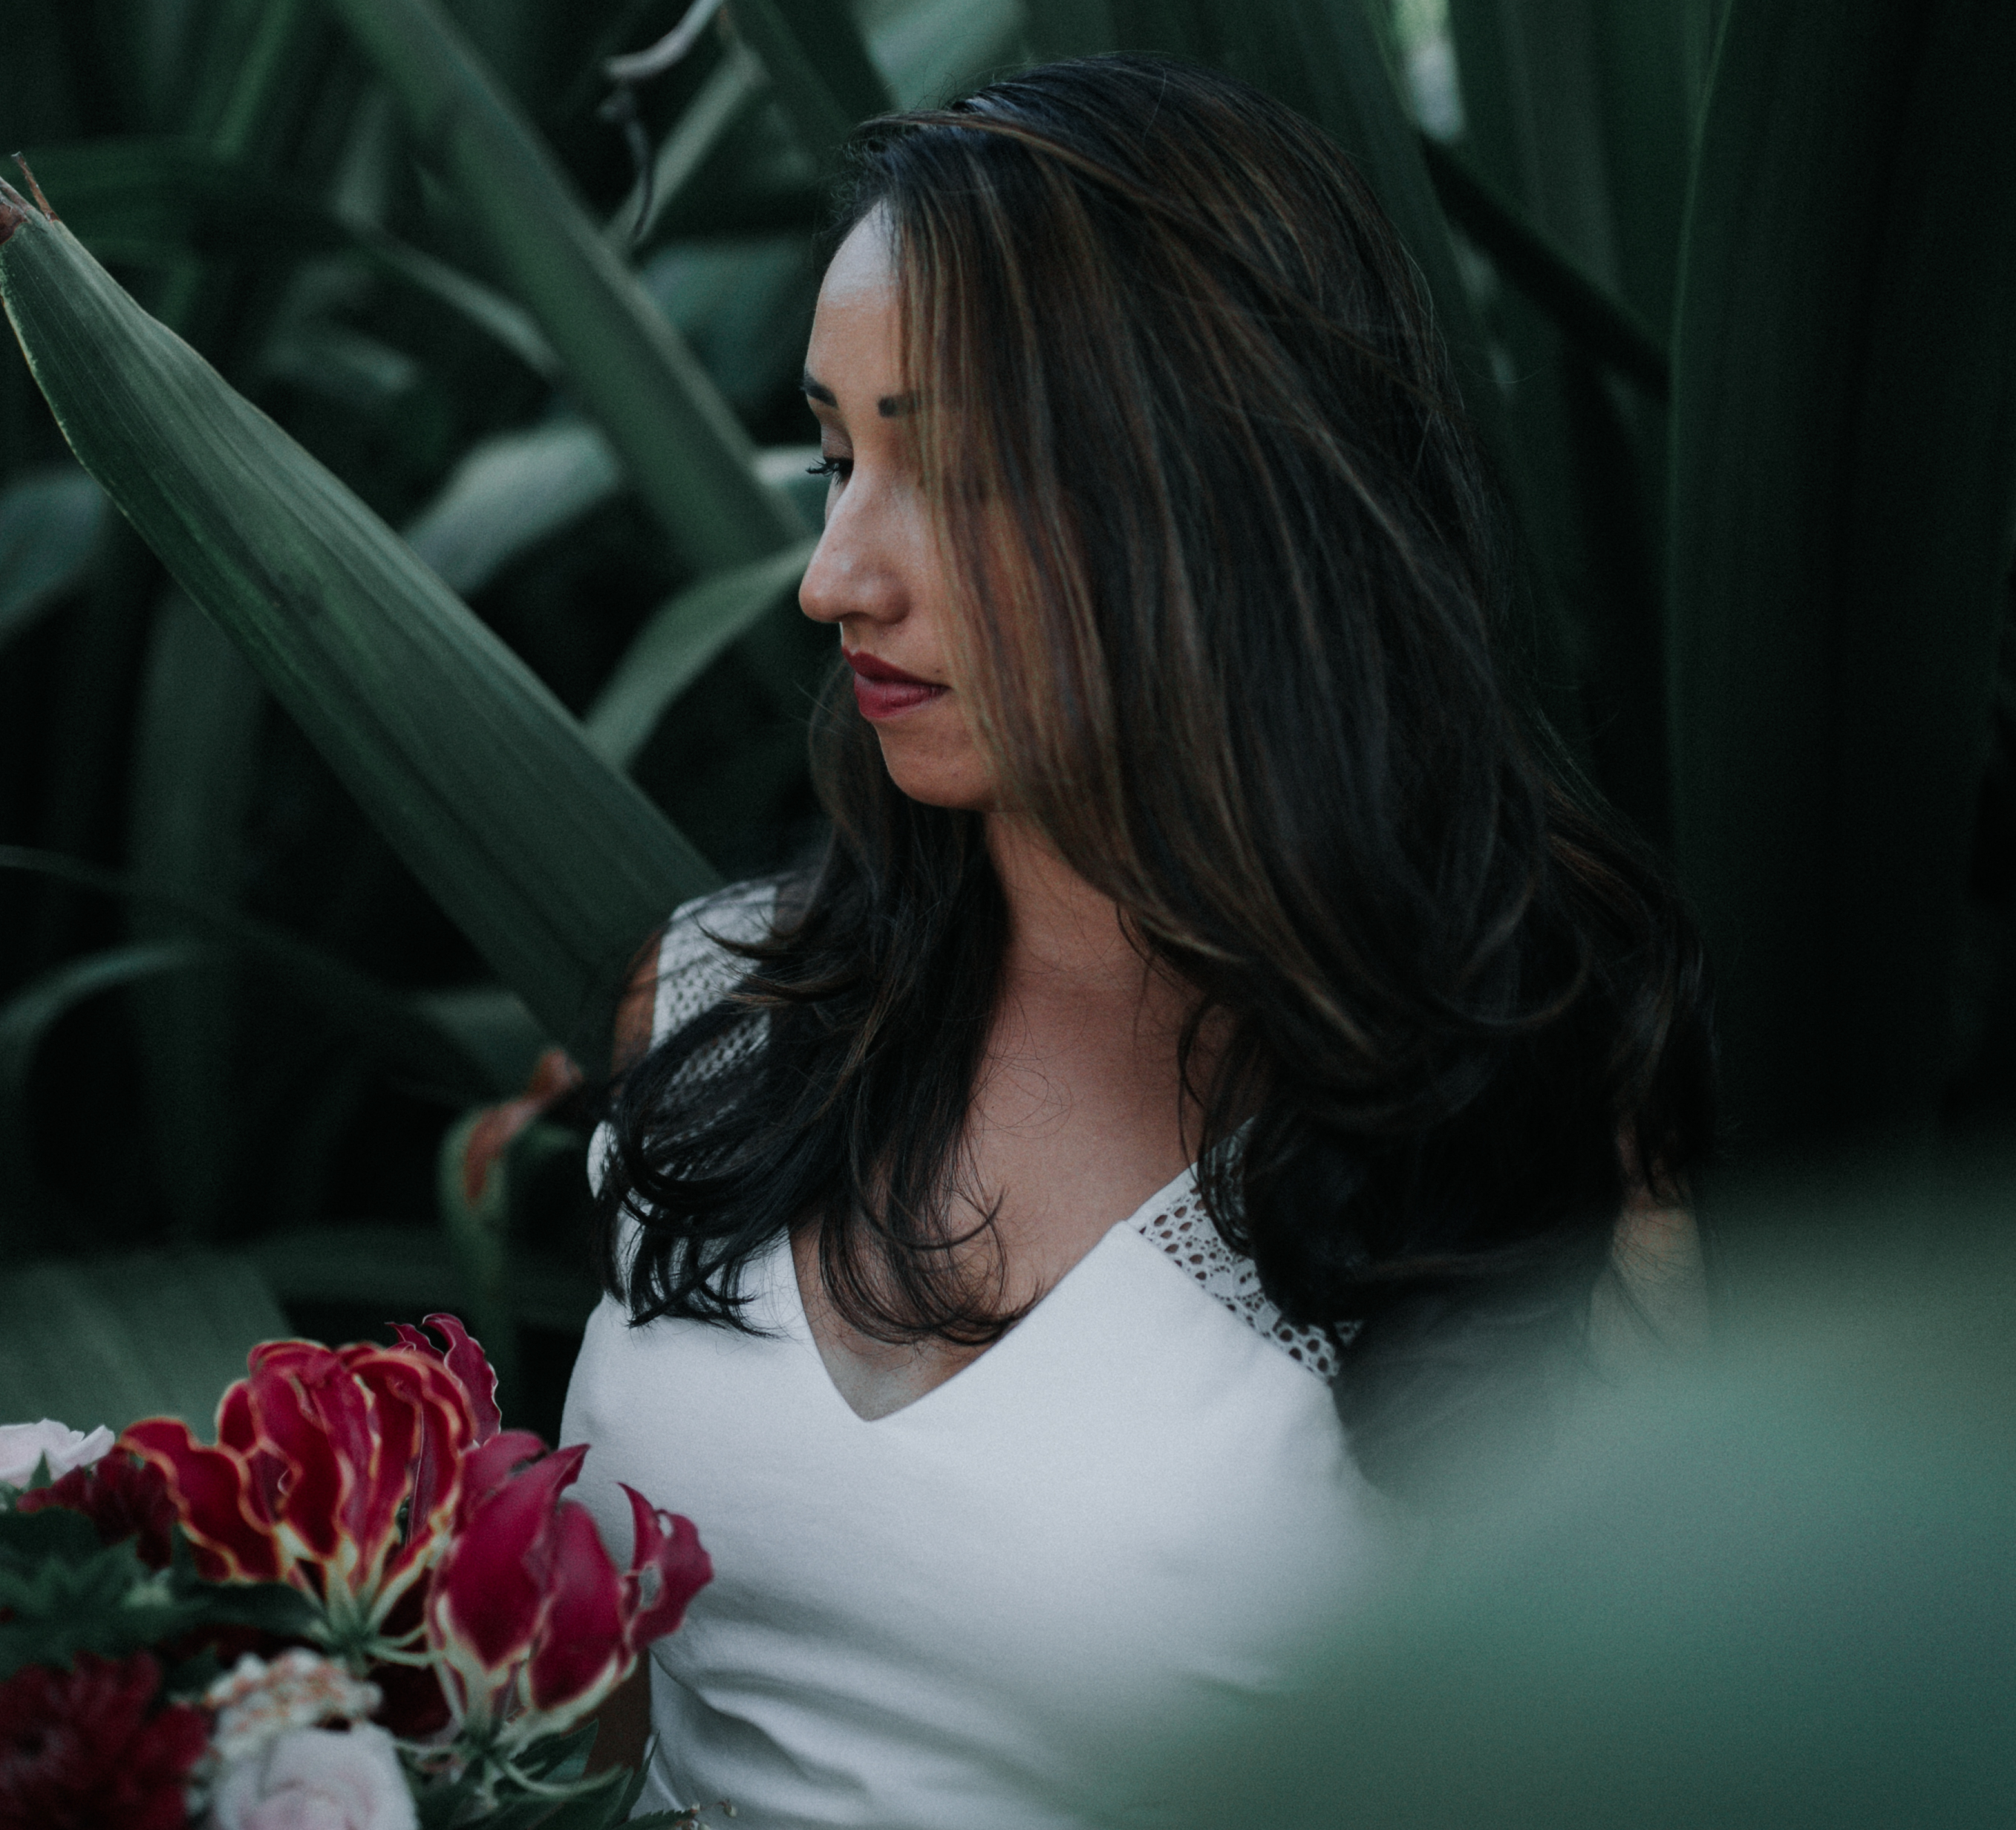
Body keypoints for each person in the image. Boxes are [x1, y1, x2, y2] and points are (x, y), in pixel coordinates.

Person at [558, 53, 1715, 1829]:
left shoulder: (1527, 1140)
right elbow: (577, 1725)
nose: (833, 573)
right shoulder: (719, 1008)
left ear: (1226, 497)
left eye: (955, 470)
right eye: (835, 455)